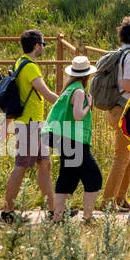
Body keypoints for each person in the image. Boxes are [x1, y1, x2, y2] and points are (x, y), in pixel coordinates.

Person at [0, 29, 57, 223]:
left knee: (45, 164)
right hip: (29, 124)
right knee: (21, 166)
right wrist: (67, 102)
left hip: (33, 124)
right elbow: (46, 94)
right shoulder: (31, 67)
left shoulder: (20, 61)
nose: (43, 48)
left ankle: (53, 211)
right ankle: (7, 212)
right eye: (42, 44)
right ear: (36, 45)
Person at [43, 55, 101, 222]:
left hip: (60, 135)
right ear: (87, 75)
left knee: (68, 176)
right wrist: (89, 105)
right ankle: (88, 218)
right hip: (72, 138)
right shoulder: (79, 91)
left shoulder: (68, 89)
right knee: (94, 177)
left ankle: (58, 218)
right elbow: (77, 116)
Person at [100, 14, 130, 212]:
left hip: (115, 109)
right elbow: (127, 84)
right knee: (121, 156)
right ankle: (108, 201)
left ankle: (120, 197)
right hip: (123, 110)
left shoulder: (119, 53)